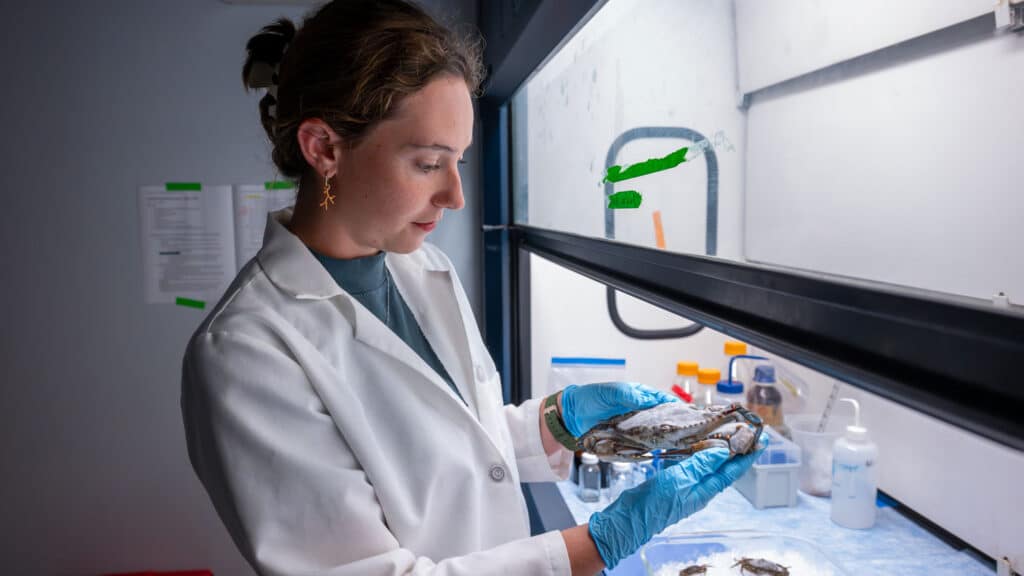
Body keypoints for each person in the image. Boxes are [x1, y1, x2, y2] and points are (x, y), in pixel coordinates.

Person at [180, 2, 762, 575]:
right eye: (429, 163)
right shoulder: (245, 351)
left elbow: (456, 452)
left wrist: (559, 422)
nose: (455, 196)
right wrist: (604, 542)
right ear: (325, 149)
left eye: (457, 160)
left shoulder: (421, 268)